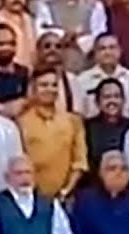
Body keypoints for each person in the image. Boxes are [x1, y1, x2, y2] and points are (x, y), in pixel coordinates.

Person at [17, 68, 86, 200]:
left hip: (66, 197)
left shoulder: (73, 121)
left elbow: (79, 163)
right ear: (33, 88)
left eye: (54, 85)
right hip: (30, 196)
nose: (50, 89)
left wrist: (65, 192)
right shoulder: (21, 122)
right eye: (44, 85)